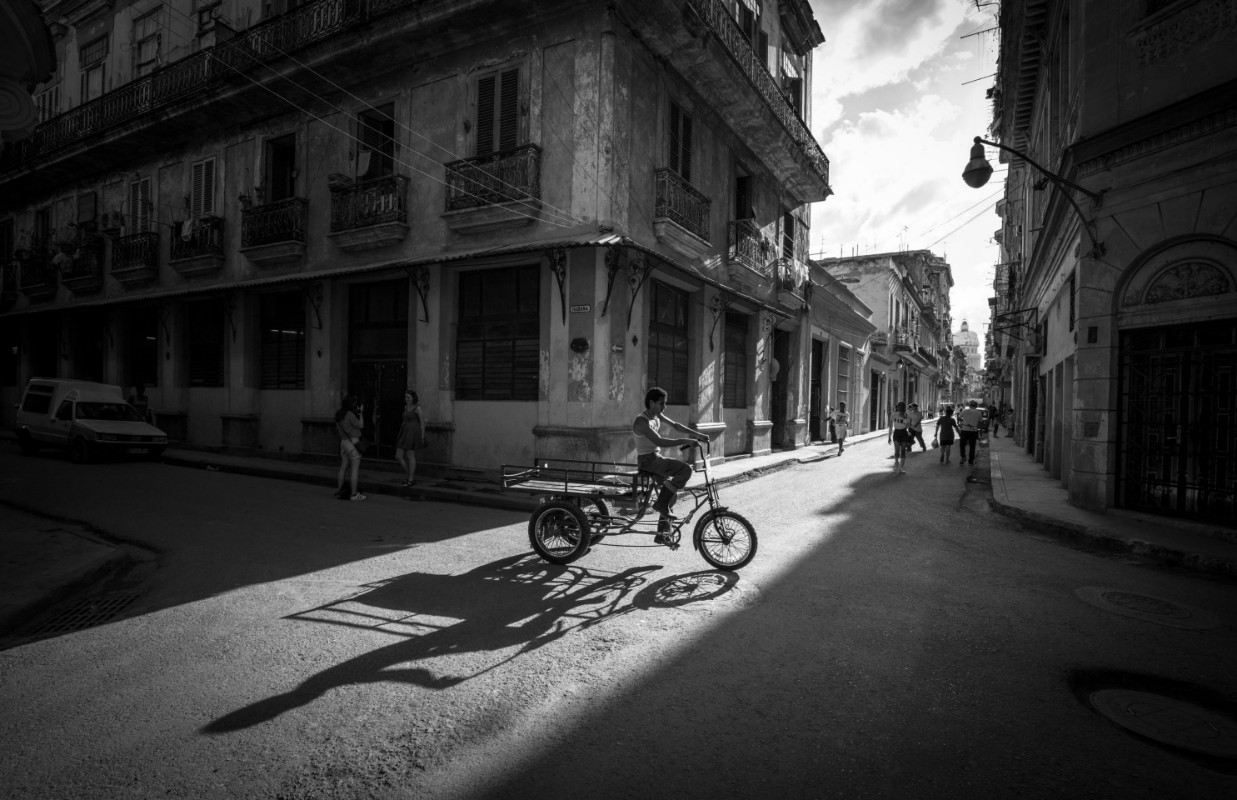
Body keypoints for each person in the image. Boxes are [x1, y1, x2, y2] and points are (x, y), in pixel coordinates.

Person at [633, 387, 709, 539]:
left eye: (665, 403)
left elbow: (676, 425)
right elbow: (659, 441)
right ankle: (661, 507)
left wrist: (698, 434)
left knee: (670, 497)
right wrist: (686, 440)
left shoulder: (656, 416)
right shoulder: (641, 421)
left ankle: (662, 534)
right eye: (661, 403)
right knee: (686, 470)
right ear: (652, 402)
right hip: (648, 461)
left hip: (655, 459)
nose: (664, 407)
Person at [335, 394, 365, 501]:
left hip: (343, 442)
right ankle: (354, 494)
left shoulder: (338, 415)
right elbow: (361, 425)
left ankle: (339, 490)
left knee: (343, 466)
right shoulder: (349, 414)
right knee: (355, 468)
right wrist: (361, 413)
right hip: (352, 443)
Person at [394, 390, 425, 487]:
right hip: (405, 430)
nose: (406, 399)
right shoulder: (405, 407)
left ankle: (410, 479)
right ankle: (410, 475)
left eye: (408, 397)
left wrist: (422, 436)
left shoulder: (417, 408)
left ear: (413, 398)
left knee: (410, 455)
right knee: (398, 456)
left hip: (413, 432)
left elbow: (422, 423)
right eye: (406, 397)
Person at [888, 401, 911, 474]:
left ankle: (901, 468)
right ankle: (896, 462)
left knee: (903, 451)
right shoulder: (894, 415)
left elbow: (908, 426)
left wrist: (905, 420)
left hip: (904, 433)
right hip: (897, 433)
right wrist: (889, 436)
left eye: (902, 407)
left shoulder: (907, 415)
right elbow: (891, 426)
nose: (901, 408)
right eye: (900, 406)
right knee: (897, 451)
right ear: (897, 407)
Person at [958, 400, 983, 466]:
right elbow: (980, 422)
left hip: (965, 429)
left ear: (970, 405)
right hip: (973, 430)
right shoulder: (979, 412)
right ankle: (970, 461)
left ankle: (963, 456)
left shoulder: (965, 410)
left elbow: (959, 418)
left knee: (962, 444)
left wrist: (964, 421)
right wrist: (980, 431)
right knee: (972, 446)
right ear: (976, 406)